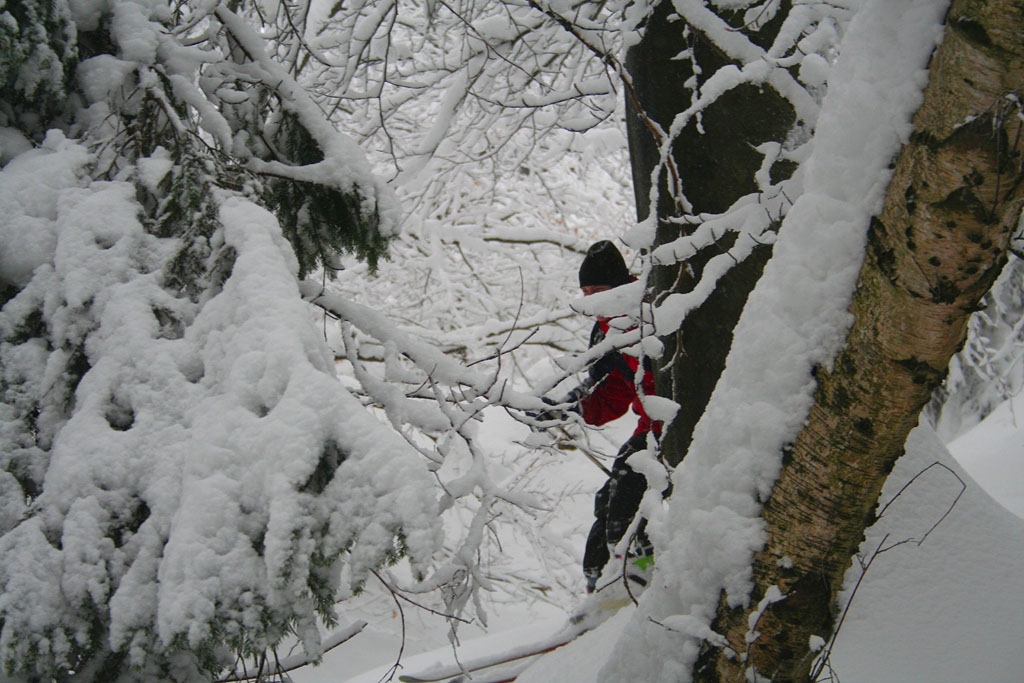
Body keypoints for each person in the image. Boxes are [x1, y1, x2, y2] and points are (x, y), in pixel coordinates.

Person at [557, 240, 662, 593]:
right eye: (585, 292)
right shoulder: (607, 329)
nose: (590, 299)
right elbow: (617, 386)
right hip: (650, 426)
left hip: (676, 425)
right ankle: (597, 584)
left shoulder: (647, 315)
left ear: (618, 287)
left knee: (628, 500)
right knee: (608, 499)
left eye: (597, 290)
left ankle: (639, 576)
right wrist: (574, 405)